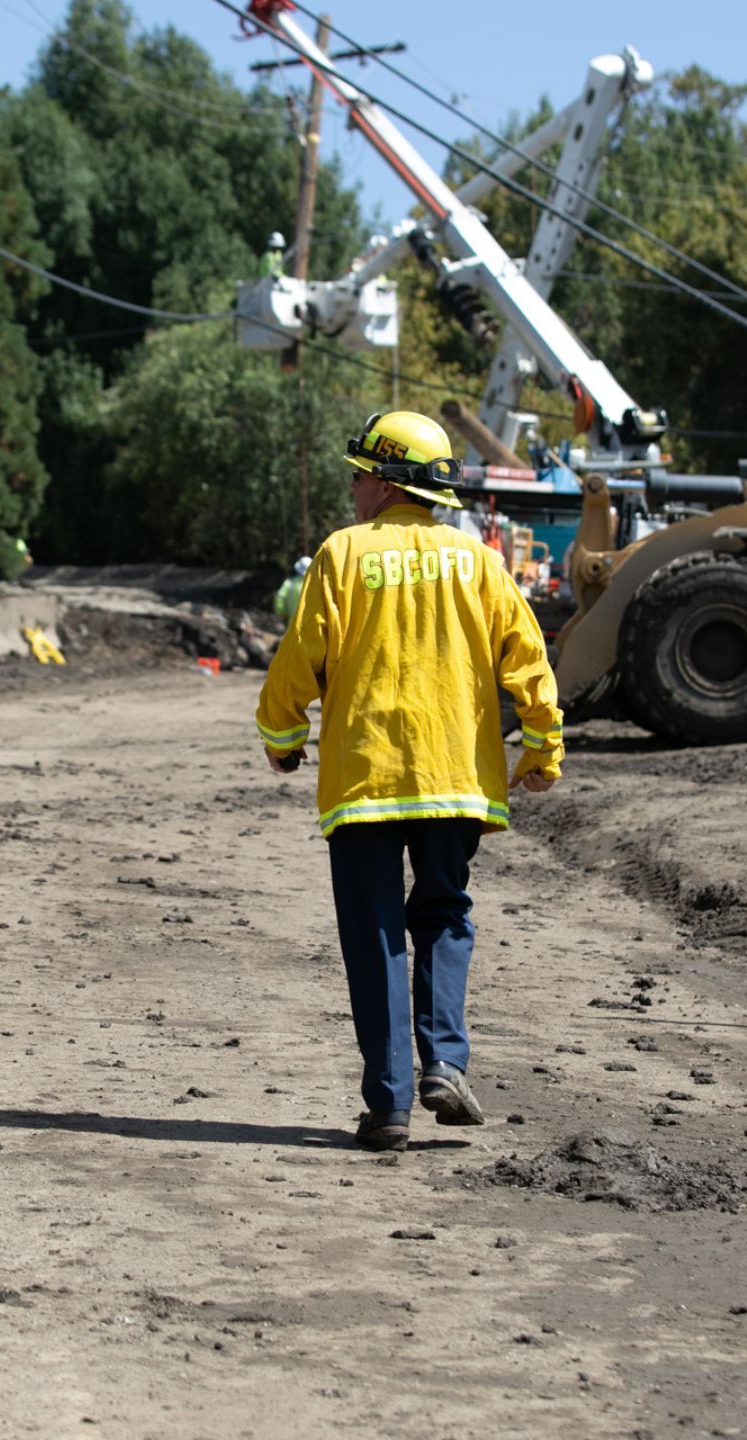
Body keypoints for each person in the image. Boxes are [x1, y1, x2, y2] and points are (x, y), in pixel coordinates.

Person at [255, 410, 564, 1154]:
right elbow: (529, 660)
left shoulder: (342, 556)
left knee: (376, 934)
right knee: (445, 916)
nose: (354, 490)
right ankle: (446, 1064)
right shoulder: (478, 560)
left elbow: (300, 659)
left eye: (360, 476)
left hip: (366, 782)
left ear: (388, 482)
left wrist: (282, 737)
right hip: (457, 781)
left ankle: (389, 1104)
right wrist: (543, 746)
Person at [273, 555, 311, 622]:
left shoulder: (289, 584)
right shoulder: (315, 584)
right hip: (313, 626)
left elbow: (279, 599)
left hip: (293, 624)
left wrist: (282, 613)